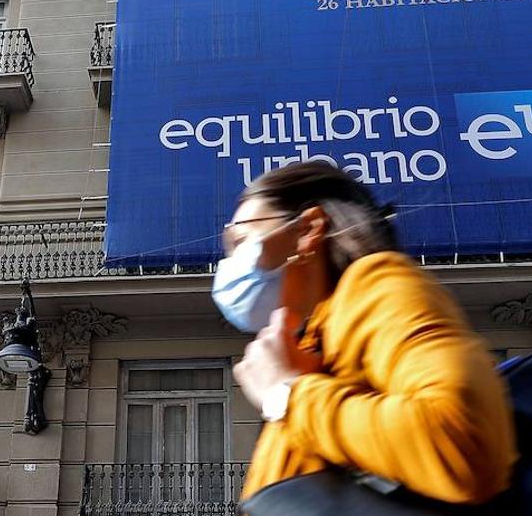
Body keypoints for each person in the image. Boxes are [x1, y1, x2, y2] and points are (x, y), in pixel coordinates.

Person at [213, 161, 516, 506]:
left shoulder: (377, 284)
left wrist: (286, 396)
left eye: (241, 240)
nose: (229, 263)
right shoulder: (319, 336)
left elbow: (463, 444)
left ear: (308, 230)